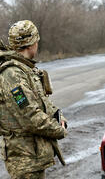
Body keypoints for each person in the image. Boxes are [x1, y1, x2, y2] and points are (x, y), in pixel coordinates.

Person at [0, 20, 67, 179]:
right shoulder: (12, 75)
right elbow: (29, 116)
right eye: (36, 41)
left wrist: (59, 116)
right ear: (30, 44)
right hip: (24, 159)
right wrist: (58, 130)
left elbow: (43, 101)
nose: (38, 44)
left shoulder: (26, 69)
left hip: (33, 155)